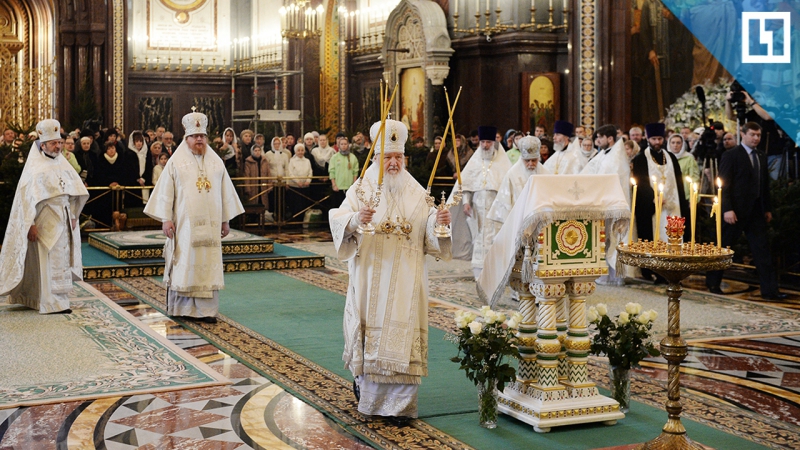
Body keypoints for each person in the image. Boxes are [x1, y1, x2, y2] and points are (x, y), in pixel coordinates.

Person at [328, 119, 452, 426]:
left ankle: (400, 408)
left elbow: (431, 240)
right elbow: (338, 219)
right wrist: (356, 218)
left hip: (408, 279)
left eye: (398, 157)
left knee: (404, 338)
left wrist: (441, 223)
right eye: (388, 157)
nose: (394, 163)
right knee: (374, 338)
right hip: (371, 276)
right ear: (376, 158)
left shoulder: (416, 191)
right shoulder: (362, 188)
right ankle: (370, 399)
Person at [144, 110, 244, 323]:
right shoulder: (175, 162)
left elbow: (225, 191)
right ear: (186, 138)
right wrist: (166, 219)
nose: (199, 139)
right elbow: (165, 192)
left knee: (208, 263)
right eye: (194, 136)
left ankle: (207, 311)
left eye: (202, 136)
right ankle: (183, 309)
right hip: (185, 226)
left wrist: (226, 220)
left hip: (211, 226)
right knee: (185, 262)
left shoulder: (216, 162)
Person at [0, 119, 88, 314]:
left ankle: (60, 301)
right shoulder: (34, 167)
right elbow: (25, 200)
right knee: (47, 261)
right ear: (43, 144)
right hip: (43, 219)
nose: (58, 146)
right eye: (54, 143)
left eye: (59, 142)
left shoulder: (63, 164)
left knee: (62, 260)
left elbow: (75, 193)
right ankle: (49, 302)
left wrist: (74, 215)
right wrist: (29, 224)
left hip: (64, 217)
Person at [706, 122, 786, 300]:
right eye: (752, 135)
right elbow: (723, 184)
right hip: (734, 211)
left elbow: (763, 185)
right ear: (743, 134)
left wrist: (767, 209)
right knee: (723, 248)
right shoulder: (731, 155)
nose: (756, 138)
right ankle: (712, 283)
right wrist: (727, 209)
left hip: (756, 211)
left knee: (762, 251)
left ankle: (770, 290)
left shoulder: (761, 156)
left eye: (758, 135)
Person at [631, 123, 689, 282]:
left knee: (672, 236)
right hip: (651, 206)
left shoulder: (670, 157)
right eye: (654, 139)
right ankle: (651, 269)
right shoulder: (641, 158)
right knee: (651, 237)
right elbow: (640, 182)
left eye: (659, 138)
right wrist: (653, 197)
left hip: (672, 206)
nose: (657, 142)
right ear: (648, 139)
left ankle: (670, 269)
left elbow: (678, 182)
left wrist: (682, 204)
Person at [456, 125, 512, 279]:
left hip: (496, 209)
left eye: (488, 142)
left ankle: (496, 271)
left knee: (494, 237)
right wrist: (466, 203)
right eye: (483, 142)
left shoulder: (503, 163)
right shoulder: (474, 162)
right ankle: (478, 271)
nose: (485, 145)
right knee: (478, 237)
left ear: (494, 143)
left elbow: (508, 187)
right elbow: (466, 185)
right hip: (477, 208)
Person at [487, 135, 549, 225]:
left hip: (539, 219)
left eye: (534, 160)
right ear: (522, 158)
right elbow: (505, 200)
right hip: (518, 219)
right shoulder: (512, 174)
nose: (531, 164)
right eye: (527, 161)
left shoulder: (545, 173)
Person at [328, 136, 360, 207]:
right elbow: (332, 172)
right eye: (341, 144)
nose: (343, 146)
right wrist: (334, 184)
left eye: (345, 144)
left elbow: (355, 172)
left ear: (348, 145)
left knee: (349, 207)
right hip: (338, 187)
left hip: (349, 187)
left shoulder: (353, 157)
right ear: (339, 145)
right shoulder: (334, 157)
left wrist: (354, 184)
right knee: (338, 206)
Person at [667, 134, 699, 200]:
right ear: (669, 144)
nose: (675, 145)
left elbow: (694, 178)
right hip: (669, 194)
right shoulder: (665, 158)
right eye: (673, 142)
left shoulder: (689, 158)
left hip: (685, 194)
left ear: (682, 144)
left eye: (678, 143)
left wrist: (693, 197)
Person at [287, 143, 313, 220]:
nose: (300, 152)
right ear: (295, 151)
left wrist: (308, 180)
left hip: (305, 186)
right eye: (298, 150)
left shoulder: (307, 161)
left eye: (302, 150)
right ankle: (295, 222)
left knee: (304, 205)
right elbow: (290, 172)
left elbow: (310, 172)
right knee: (295, 205)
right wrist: (297, 181)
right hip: (295, 187)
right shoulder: (292, 161)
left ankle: (303, 221)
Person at [243, 144, 270, 209]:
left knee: (263, 202)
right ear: (252, 152)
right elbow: (246, 175)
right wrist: (247, 187)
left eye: (259, 150)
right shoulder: (248, 162)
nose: (257, 152)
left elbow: (268, 173)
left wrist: (269, 185)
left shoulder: (264, 160)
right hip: (253, 186)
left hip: (263, 185)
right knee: (254, 203)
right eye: (255, 151)